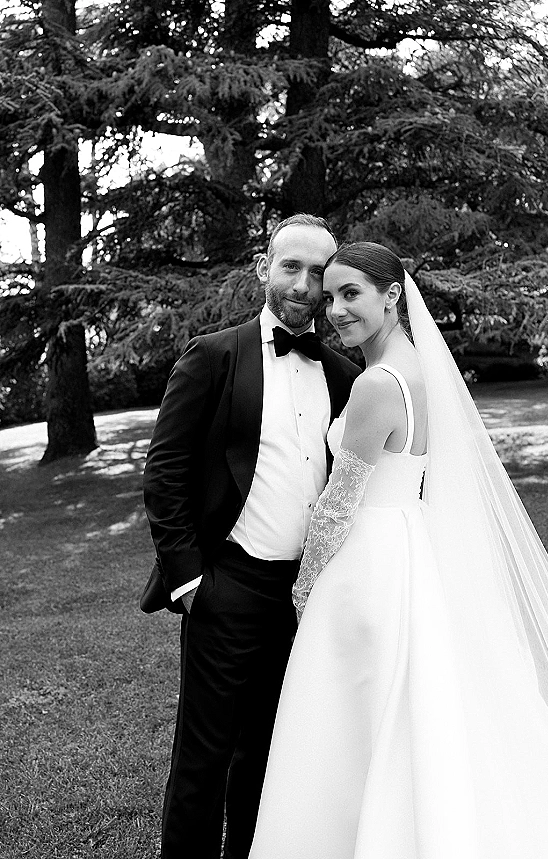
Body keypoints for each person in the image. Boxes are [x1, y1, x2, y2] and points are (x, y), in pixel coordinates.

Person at [249, 242, 548, 859]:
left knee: (352, 714)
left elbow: (338, 505)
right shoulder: (421, 369)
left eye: (352, 295)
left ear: (392, 295)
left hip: (365, 558)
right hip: (407, 542)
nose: (337, 311)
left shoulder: (377, 383)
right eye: (330, 298)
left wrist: (303, 590)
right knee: (407, 708)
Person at [142, 214, 361, 859]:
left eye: (316, 272)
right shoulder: (216, 355)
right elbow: (167, 470)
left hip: (303, 597)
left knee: (268, 751)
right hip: (227, 584)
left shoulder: (345, 376)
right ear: (267, 268)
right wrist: (189, 581)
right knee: (205, 756)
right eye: (289, 266)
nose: (301, 283)